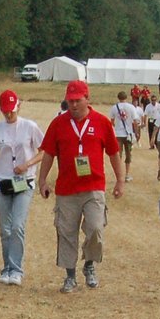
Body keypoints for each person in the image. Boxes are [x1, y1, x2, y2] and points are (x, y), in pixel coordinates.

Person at [36, 79, 123, 292]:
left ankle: (90, 264)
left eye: (77, 100)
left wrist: (120, 181)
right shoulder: (58, 124)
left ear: (87, 99)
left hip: (94, 187)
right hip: (66, 189)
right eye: (70, 101)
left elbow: (113, 153)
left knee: (95, 228)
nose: (73, 105)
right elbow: (48, 153)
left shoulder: (102, 122)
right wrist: (43, 180)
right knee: (66, 231)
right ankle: (70, 275)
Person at [0, 89, 45, 285]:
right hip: (2, 184)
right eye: (5, 111)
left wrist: (27, 165)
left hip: (25, 182)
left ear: (18, 106)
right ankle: (7, 268)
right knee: (5, 229)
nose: (8, 114)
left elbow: (43, 151)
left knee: (17, 226)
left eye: (11, 110)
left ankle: (16, 269)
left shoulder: (29, 127)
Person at [110, 90, 143, 181]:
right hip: (128, 134)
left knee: (118, 155)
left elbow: (112, 121)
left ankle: (118, 175)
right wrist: (136, 132)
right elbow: (136, 121)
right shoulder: (131, 107)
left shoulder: (114, 108)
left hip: (118, 134)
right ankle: (127, 174)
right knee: (128, 155)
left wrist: (117, 127)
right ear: (126, 98)